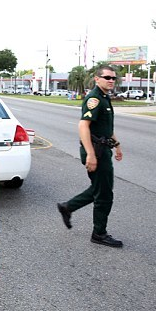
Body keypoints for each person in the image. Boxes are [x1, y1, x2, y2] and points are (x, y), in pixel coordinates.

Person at [57, 65, 124, 248]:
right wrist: (91, 155)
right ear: (97, 78)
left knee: (99, 189)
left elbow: (106, 129)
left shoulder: (104, 97)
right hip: (96, 152)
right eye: (107, 77)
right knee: (104, 195)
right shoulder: (94, 98)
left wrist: (117, 145)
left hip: (102, 150)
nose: (111, 80)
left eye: (113, 78)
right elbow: (83, 126)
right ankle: (99, 233)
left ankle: (67, 207)